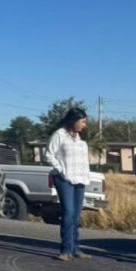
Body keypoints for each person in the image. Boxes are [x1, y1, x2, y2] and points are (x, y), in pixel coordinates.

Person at [44, 107, 91, 262]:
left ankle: (76, 248)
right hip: (64, 178)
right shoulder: (59, 135)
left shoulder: (79, 138)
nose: (84, 124)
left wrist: (85, 175)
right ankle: (65, 249)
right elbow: (49, 154)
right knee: (68, 212)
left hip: (80, 179)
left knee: (76, 215)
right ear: (74, 120)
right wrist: (61, 169)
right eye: (82, 121)